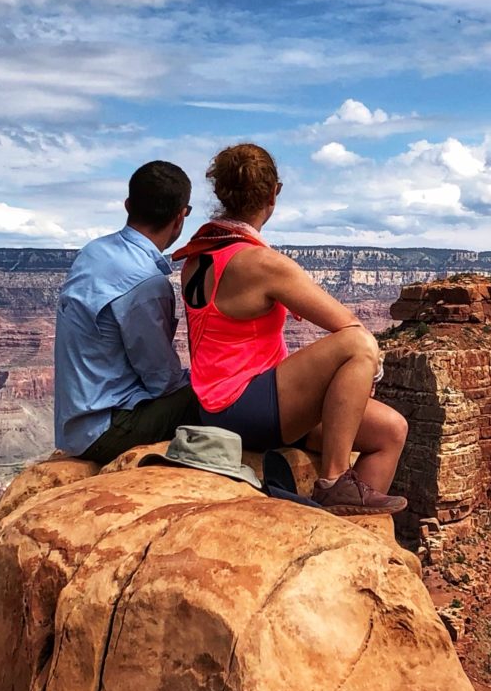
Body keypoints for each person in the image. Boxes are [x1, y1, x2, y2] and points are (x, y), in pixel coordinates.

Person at [173, 143, 409, 515]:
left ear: (220, 193)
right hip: (243, 405)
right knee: (358, 345)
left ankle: (343, 536)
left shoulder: (199, 256)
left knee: (390, 430)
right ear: (274, 193)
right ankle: (334, 482)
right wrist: (368, 369)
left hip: (226, 402)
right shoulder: (260, 262)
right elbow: (348, 327)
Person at [53, 160, 199, 464]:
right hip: (108, 431)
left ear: (128, 205)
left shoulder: (93, 252)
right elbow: (163, 381)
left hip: (77, 426)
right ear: (180, 216)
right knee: (221, 394)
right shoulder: (146, 283)